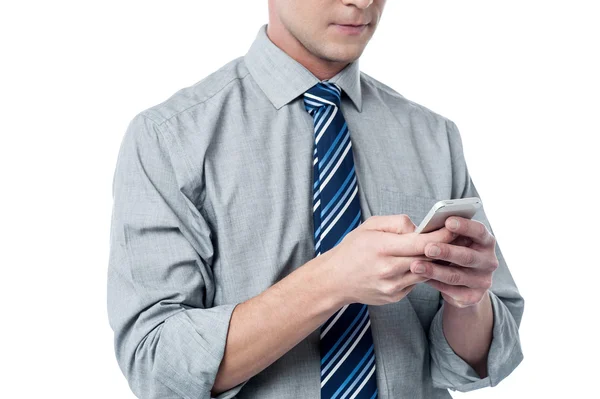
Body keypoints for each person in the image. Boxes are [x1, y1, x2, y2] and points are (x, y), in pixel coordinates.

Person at [107, 0, 524, 398]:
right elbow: (156, 364)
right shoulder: (169, 139)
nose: (361, 3)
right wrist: (333, 280)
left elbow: (478, 362)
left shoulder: (433, 137)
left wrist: (466, 300)